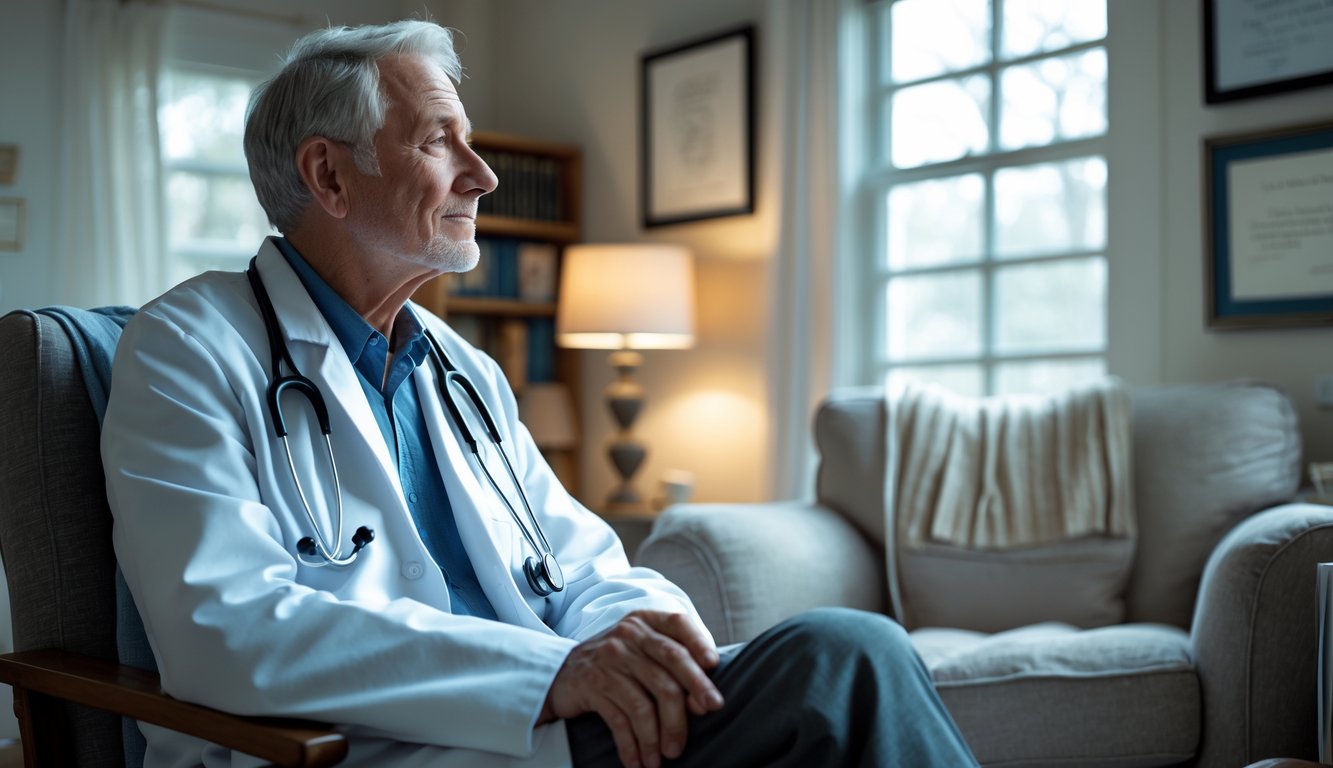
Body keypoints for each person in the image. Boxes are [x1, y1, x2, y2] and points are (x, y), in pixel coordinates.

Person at [101, 19, 979, 768]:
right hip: (376, 746)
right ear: (329, 177)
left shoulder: (462, 369)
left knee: (846, 668)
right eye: (439, 141)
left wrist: (647, 643)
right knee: (844, 658)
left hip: (549, 726)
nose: (481, 176)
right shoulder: (187, 347)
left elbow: (586, 569)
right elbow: (225, 629)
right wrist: (550, 676)